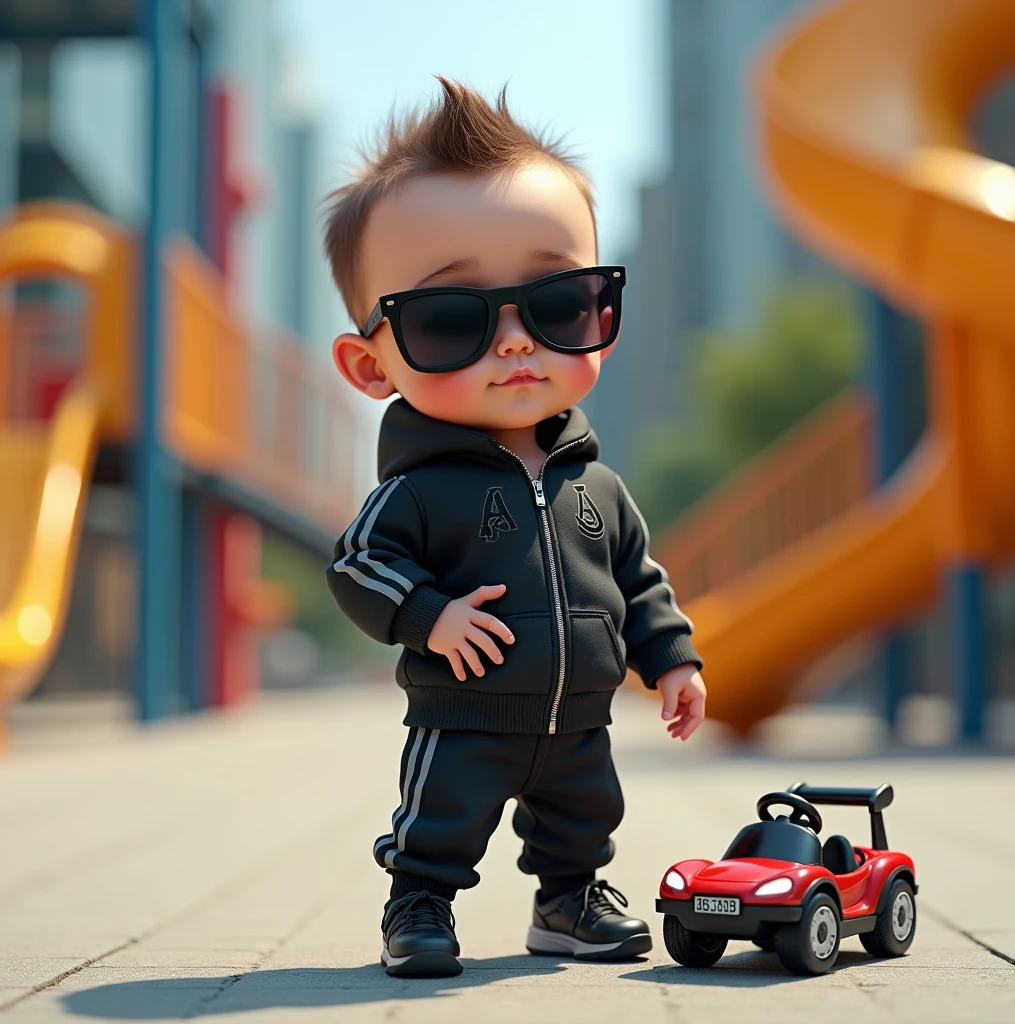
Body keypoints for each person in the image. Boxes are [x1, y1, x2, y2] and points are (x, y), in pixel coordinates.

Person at [323, 77, 707, 979]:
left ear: (600, 322)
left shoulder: (599, 487)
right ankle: (418, 901)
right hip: (465, 712)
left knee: (586, 814)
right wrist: (430, 616)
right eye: (451, 321)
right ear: (371, 365)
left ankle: (570, 900)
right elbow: (356, 565)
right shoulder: (420, 493)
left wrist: (673, 659)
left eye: (558, 306)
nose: (515, 343)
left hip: (580, 715)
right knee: (440, 816)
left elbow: (639, 581)